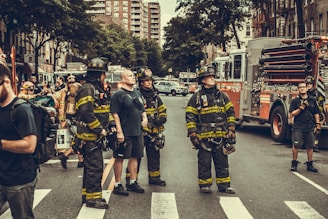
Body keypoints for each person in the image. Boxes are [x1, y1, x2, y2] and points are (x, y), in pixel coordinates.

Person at [185, 65, 237, 194]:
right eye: (209, 77)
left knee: (222, 161)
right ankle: (204, 184)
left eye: (213, 77)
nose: (213, 79)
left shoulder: (223, 96)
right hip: (204, 136)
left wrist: (231, 128)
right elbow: (190, 116)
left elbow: (230, 112)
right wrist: (192, 133)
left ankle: (224, 185)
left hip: (221, 135)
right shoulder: (196, 98)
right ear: (203, 80)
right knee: (204, 161)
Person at [0, 49, 38, 218]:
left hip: (20, 180)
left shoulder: (21, 109)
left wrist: (1, 143)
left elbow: (30, 145)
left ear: (6, 83)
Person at [74, 58, 111, 209]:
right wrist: (99, 129)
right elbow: (85, 112)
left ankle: (87, 194)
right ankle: (93, 199)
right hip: (90, 136)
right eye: (104, 74)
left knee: (90, 167)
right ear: (99, 75)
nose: (105, 77)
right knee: (95, 167)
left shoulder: (94, 88)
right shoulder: (88, 89)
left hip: (93, 136)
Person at [126, 68, 167, 186]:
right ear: (141, 82)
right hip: (140, 131)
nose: (149, 82)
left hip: (154, 132)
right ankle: (131, 180)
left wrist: (162, 118)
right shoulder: (136, 95)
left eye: (150, 80)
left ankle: (154, 178)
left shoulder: (155, 96)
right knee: (136, 156)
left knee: (154, 156)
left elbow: (162, 110)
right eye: (146, 80)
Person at [110, 69, 148, 196]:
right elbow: (115, 114)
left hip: (137, 131)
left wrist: (145, 118)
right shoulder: (118, 95)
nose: (133, 77)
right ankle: (117, 184)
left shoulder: (137, 93)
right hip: (124, 132)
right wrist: (119, 132)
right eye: (130, 76)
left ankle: (132, 182)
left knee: (135, 157)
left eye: (133, 75)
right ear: (123, 79)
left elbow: (142, 109)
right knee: (120, 158)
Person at [289, 82, 321, 172]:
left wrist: (318, 124)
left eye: (304, 87)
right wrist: (301, 108)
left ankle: (310, 164)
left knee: (310, 146)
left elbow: (316, 113)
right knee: (296, 145)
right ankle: (294, 164)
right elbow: (292, 113)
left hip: (309, 126)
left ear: (307, 89)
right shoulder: (295, 101)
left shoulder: (312, 100)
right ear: (298, 89)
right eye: (300, 87)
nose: (302, 89)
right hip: (298, 127)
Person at [57, 75, 84, 169]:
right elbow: (63, 107)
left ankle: (80, 160)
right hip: (72, 119)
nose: (72, 85)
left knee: (78, 139)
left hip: (73, 119)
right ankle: (65, 155)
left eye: (73, 82)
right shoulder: (66, 93)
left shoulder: (76, 94)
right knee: (79, 139)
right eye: (70, 83)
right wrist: (62, 119)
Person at [304, 75, 325, 152]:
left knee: (316, 131)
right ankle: (305, 144)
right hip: (305, 115)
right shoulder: (304, 93)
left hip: (314, 114)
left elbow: (320, 103)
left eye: (310, 84)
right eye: (307, 84)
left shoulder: (317, 93)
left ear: (312, 84)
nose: (309, 85)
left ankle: (315, 145)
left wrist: (319, 114)